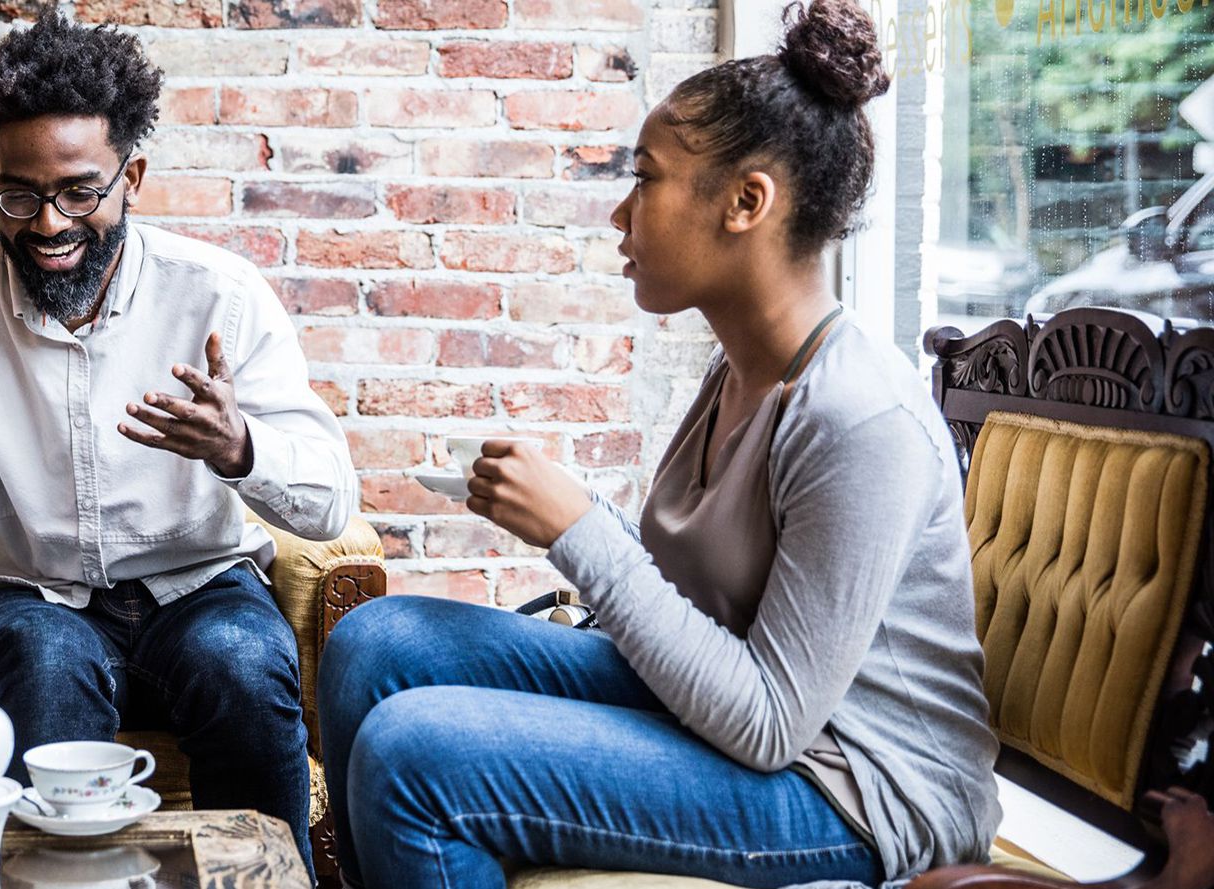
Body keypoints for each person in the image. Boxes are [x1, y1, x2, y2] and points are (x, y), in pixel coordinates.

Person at [316, 1, 1003, 886]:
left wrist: (580, 530)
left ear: (747, 201)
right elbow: (700, 609)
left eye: (645, 178)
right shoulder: (742, 369)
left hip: (859, 790)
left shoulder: (860, 418)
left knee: (415, 753)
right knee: (376, 640)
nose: (618, 214)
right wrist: (573, 520)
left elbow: (768, 719)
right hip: (756, 736)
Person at [0, 10, 354, 867]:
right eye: (20, 194)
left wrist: (240, 450)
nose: (49, 224)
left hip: (197, 586)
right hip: (25, 593)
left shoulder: (219, 297)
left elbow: (330, 502)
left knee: (238, 659)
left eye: (80, 191)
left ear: (133, 177)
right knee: (46, 657)